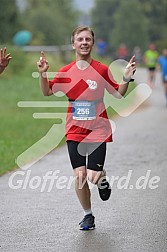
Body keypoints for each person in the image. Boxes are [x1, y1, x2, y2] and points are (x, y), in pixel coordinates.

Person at [37, 26, 136, 230]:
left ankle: (101, 177)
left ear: (92, 43)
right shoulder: (65, 72)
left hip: (98, 129)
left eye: (88, 39)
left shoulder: (101, 70)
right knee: (80, 175)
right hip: (75, 130)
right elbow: (47, 91)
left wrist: (125, 78)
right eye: (80, 39)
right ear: (73, 43)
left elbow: (118, 94)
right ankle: (88, 215)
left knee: (92, 175)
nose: (84, 42)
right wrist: (43, 74)